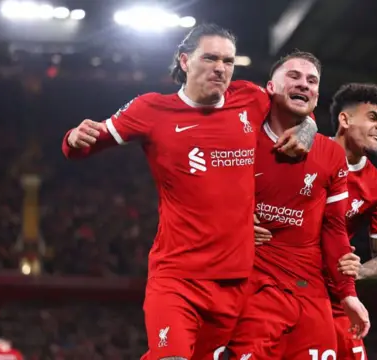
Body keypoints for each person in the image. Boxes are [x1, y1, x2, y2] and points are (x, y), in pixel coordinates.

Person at [61, 24, 318, 360]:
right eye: (210, 58)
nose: (220, 68)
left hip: (235, 281)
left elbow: (301, 107)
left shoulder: (251, 99)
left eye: (228, 61)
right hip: (177, 278)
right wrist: (73, 138)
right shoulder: (150, 110)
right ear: (184, 60)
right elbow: (80, 147)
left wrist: (308, 130)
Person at [225, 51, 370, 360]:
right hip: (254, 287)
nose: (304, 84)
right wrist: (229, 219)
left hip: (311, 292)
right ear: (270, 87)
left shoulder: (330, 154)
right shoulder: (238, 137)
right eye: (293, 76)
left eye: (312, 80)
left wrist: (347, 294)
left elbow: (335, 229)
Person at [330, 83, 377, 360]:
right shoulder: (304, 152)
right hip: (275, 284)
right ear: (344, 120)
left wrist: (355, 271)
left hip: (333, 295)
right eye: (372, 117)